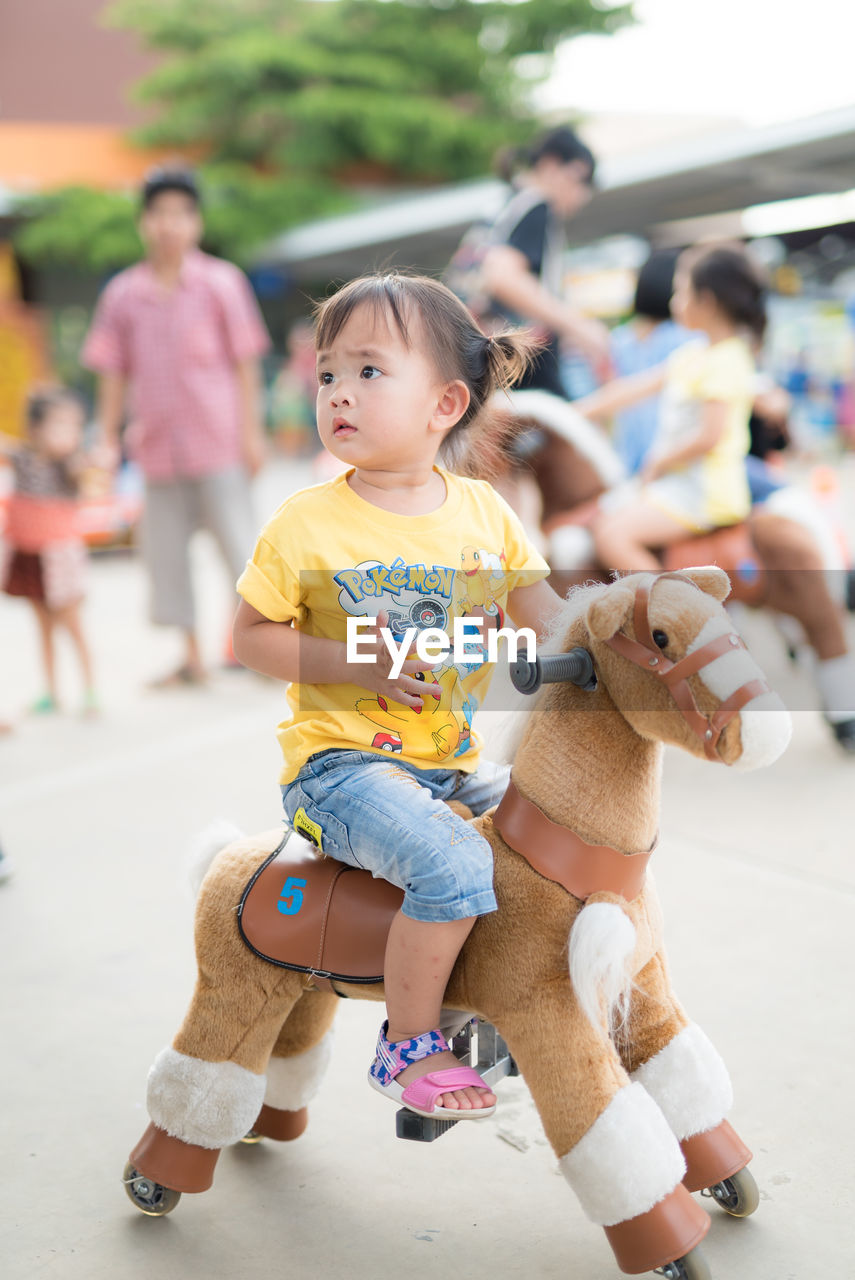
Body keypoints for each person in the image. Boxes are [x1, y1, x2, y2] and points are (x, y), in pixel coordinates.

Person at [233, 273, 563, 1118]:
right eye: (327, 374)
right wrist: (354, 659)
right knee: (452, 861)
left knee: (557, 837)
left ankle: (514, 1008)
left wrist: (628, 627)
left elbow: (549, 621)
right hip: (339, 770)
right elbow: (247, 637)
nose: (338, 392)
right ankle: (406, 1046)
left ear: (445, 402)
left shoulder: (485, 515)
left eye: (368, 372)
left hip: (450, 764)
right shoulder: (304, 522)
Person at [82, 166, 271, 686]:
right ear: (144, 223)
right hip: (158, 447)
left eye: (179, 214)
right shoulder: (123, 294)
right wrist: (104, 437)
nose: (168, 225)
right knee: (165, 556)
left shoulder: (221, 283)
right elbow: (113, 372)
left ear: (196, 222)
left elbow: (246, 363)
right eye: (158, 214)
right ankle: (191, 658)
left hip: (220, 440)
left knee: (241, 552)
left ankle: (258, 654)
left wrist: (252, 435)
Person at [578, 244, 764, 572]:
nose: (673, 301)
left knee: (613, 537)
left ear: (706, 302)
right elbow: (632, 389)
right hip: (678, 485)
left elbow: (710, 435)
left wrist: (659, 461)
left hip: (703, 493)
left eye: (681, 292)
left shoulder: (727, 359)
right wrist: (569, 414)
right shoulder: (694, 354)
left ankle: (675, 612)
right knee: (602, 518)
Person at [479, 125, 612, 398]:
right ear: (550, 164)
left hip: (481, 352)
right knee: (569, 430)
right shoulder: (536, 205)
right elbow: (503, 277)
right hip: (511, 353)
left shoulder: (508, 202)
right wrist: (580, 327)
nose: (583, 194)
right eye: (580, 179)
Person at [1, 387, 98, 715]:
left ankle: (89, 688)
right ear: (36, 428)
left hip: (60, 558)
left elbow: (88, 476)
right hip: (30, 556)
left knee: (72, 624)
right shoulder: (21, 458)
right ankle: (51, 690)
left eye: (74, 426)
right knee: (41, 625)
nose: (68, 433)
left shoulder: (70, 467)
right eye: (59, 425)